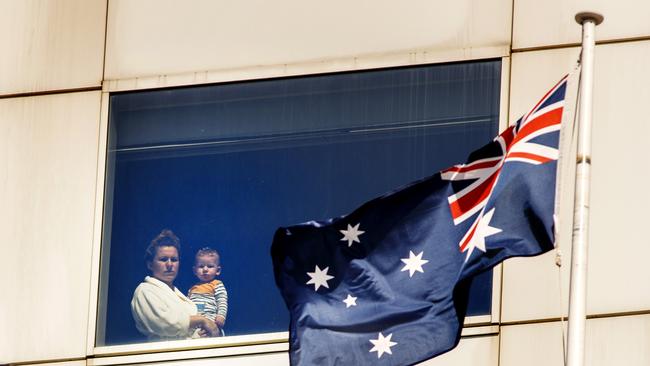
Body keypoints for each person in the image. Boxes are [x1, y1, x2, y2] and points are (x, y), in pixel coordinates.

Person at [131, 229, 218, 340]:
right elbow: (165, 323)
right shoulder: (145, 290)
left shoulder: (178, 294)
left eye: (174, 259)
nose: (169, 264)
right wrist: (201, 320)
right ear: (150, 264)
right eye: (163, 259)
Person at [187, 247, 228, 336]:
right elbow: (187, 305)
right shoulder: (192, 288)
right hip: (195, 324)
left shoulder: (217, 284)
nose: (205, 269)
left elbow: (222, 301)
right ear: (195, 270)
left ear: (218, 270)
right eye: (201, 266)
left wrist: (221, 316)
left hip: (212, 322)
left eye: (210, 266)